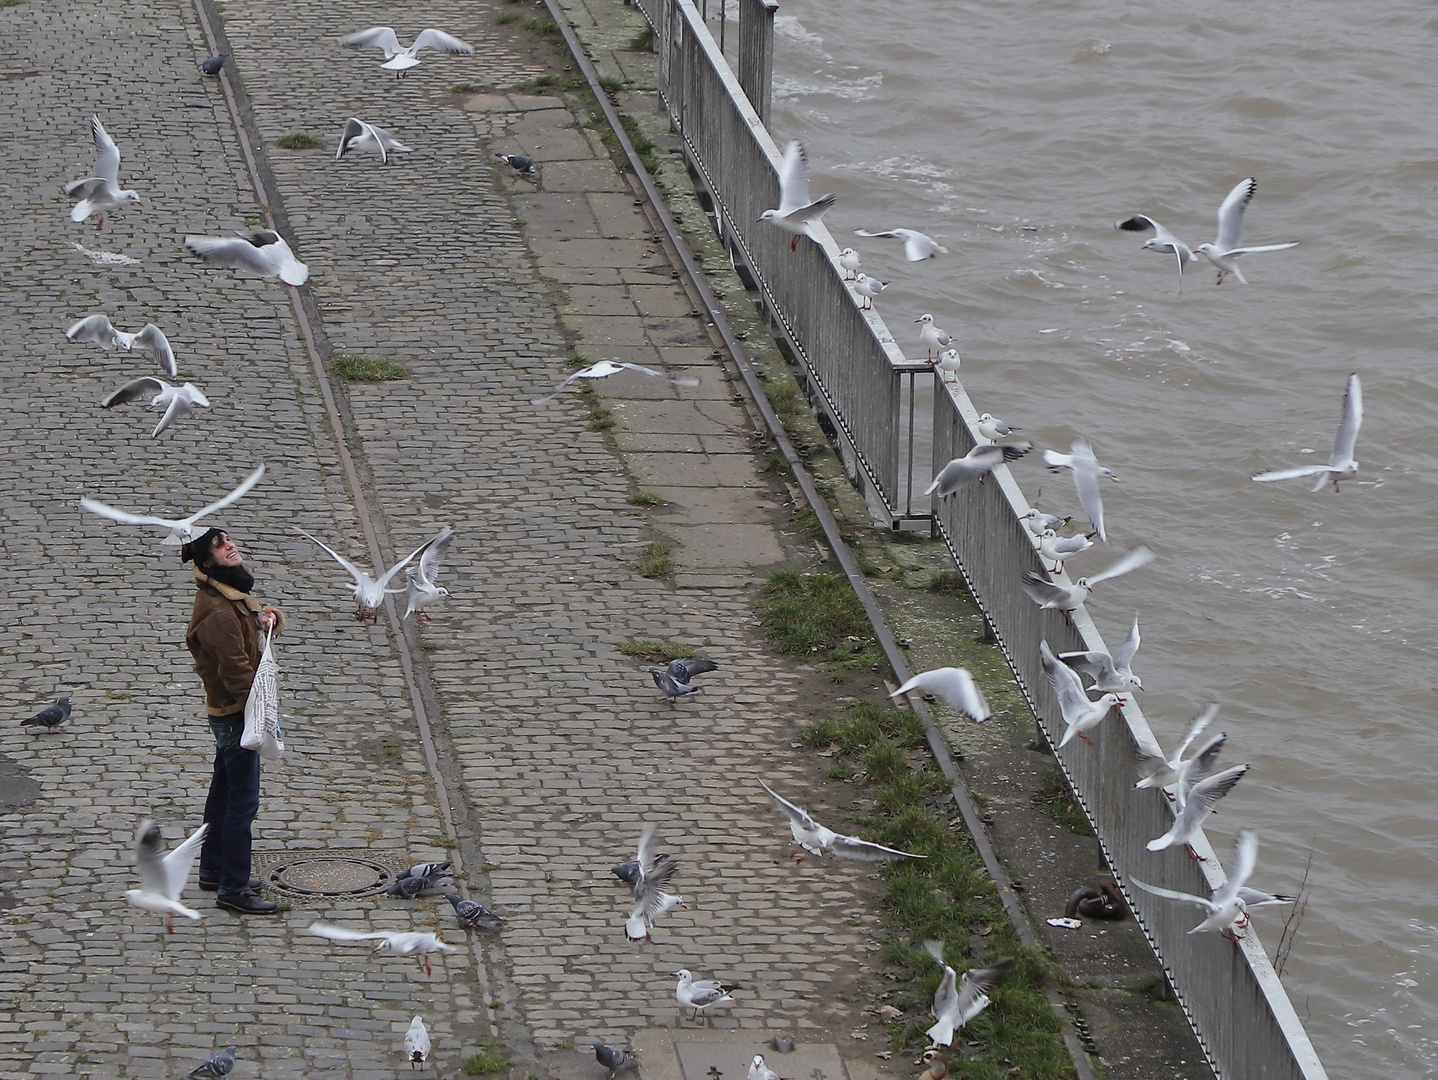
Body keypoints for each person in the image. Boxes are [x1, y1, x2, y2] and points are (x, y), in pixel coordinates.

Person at [181, 528, 284, 915]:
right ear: (208, 562)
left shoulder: (228, 596)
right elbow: (237, 671)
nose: (231, 546)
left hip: (231, 713)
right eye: (221, 546)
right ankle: (233, 887)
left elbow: (247, 626)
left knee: (223, 792)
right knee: (242, 803)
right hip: (235, 715)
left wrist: (267, 620)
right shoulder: (218, 612)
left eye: (229, 540)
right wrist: (260, 719)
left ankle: (213, 868)